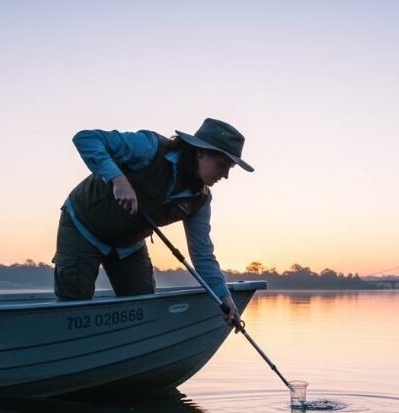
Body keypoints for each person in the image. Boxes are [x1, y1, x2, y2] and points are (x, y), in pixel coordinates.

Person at [53, 118, 253, 324]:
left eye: (230, 169)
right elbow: (86, 138)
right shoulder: (150, 148)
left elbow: (202, 254)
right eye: (222, 166)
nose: (226, 176)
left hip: (128, 245)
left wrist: (224, 296)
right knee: (73, 308)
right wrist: (118, 179)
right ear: (200, 152)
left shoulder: (200, 200)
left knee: (142, 311)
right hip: (83, 227)